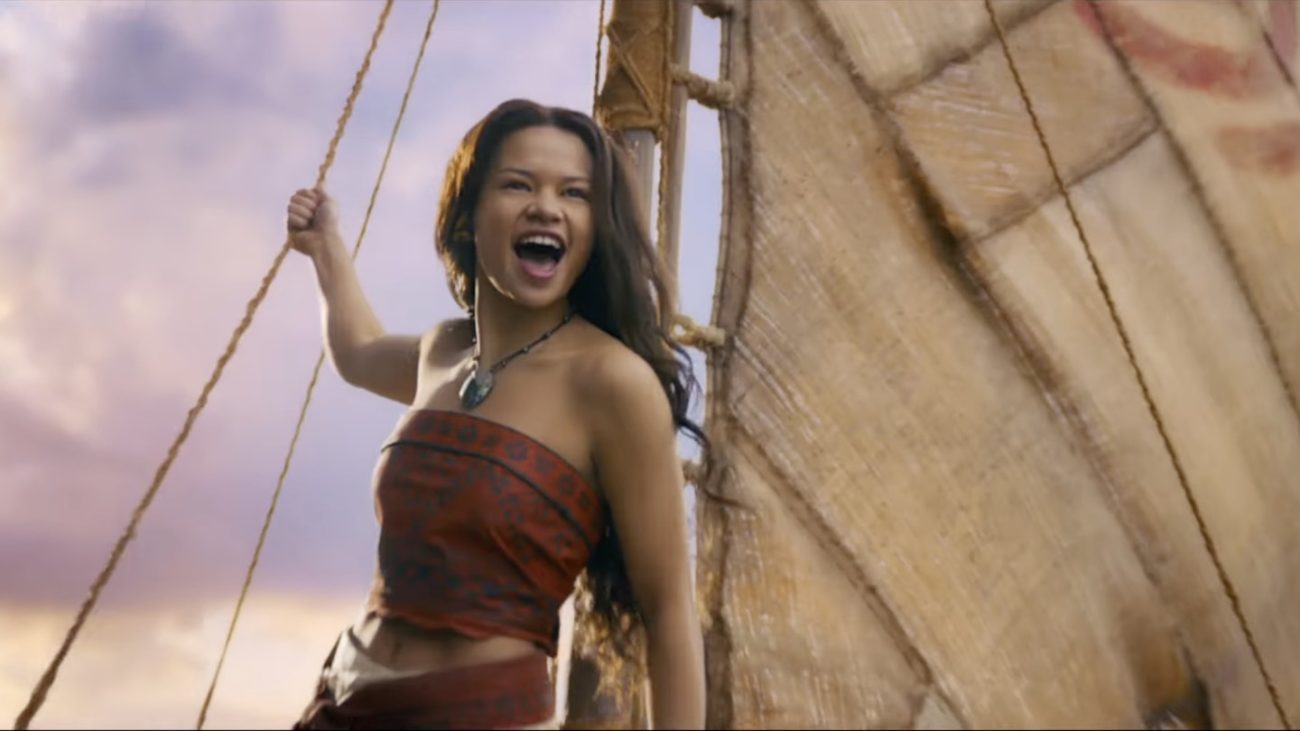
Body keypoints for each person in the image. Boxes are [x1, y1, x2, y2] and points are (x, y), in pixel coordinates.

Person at [284, 98, 707, 730]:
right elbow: (358, 351)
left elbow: (668, 610)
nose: (547, 207)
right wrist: (325, 247)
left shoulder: (612, 383)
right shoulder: (443, 351)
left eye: (574, 193)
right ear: (469, 213)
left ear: (596, 228)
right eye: (518, 184)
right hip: (340, 700)